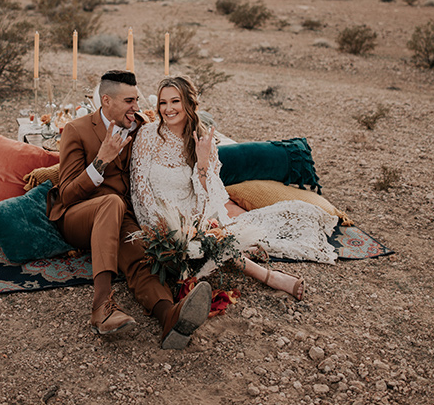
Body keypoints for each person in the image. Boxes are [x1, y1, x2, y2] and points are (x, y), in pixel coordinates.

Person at [130, 76, 340, 300]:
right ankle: (266, 273)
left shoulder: (202, 141)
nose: (168, 109)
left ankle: (266, 273)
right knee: (200, 245)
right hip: (156, 217)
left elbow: (208, 195)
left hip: (193, 213)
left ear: (189, 104)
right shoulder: (148, 135)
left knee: (209, 240)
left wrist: (201, 164)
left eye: (175, 101)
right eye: (163, 102)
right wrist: (159, 224)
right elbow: (139, 187)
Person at [47, 70, 213, 349]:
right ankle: (101, 305)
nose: (136, 107)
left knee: (140, 254)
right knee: (111, 202)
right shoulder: (77, 130)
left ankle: (169, 316)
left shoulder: (139, 127)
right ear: (106, 101)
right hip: (78, 216)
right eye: (129, 101)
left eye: (136, 99)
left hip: (121, 216)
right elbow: (67, 194)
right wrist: (101, 160)